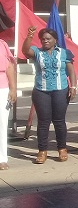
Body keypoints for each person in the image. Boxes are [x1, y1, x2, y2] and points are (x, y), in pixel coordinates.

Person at [22, 26, 77, 164]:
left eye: (48, 38)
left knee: (59, 121)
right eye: (42, 39)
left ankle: (62, 148)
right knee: (43, 122)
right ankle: (42, 151)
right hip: (41, 91)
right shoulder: (37, 52)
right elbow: (25, 50)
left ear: (55, 40)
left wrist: (73, 86)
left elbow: (71, 71)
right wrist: (29, 36)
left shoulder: (64, 53)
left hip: (61, 89)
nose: (45, 41)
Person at [0, 37, 17, 170]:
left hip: (2, 88)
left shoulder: (2, 44)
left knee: (2, 123)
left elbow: (10, 67)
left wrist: (13, 89)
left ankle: (2, 158)